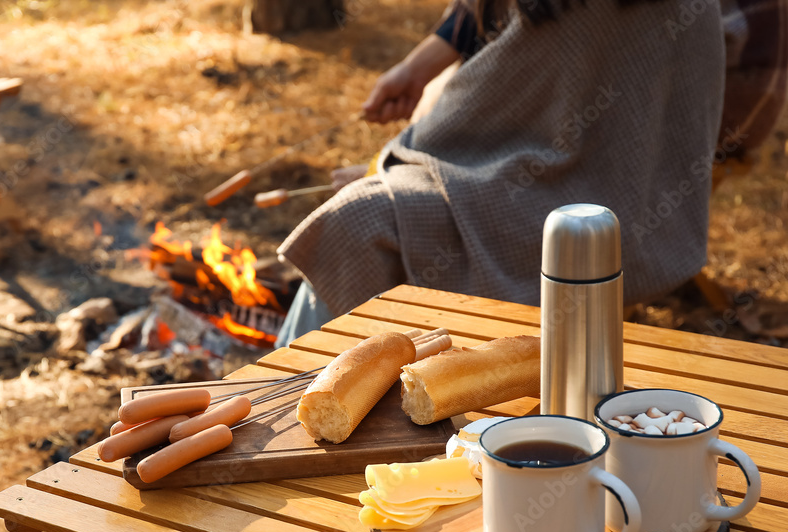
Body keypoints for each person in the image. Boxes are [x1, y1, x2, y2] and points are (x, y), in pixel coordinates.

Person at [274, 0, 726, 347]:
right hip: (627, 199)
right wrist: (417, 67)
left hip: (569, 203)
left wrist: (387, 172)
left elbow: (476, 117)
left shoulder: (579, 10)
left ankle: (277, 407)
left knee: (355, 223)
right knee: (372, 208)